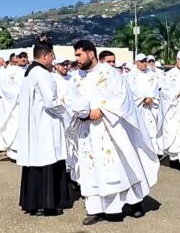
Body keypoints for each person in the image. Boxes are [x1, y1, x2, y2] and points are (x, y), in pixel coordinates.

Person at [65, 40, 159, 225]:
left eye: (79, 55)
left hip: (110, 128)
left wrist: (102, 110)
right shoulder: (76, 77)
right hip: (87, 131)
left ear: (91, 54)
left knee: (120, 166)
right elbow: (69, 100)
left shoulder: (109, 73)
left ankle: (133, 203)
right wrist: (80, 112)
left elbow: (122, 97)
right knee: (92, 170)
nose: (76, 59)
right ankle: (96, 209)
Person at [17, 35, 70, 216]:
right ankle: (48, 203)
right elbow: (50, 102)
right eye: (53, 57)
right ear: (46, 56)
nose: (53, 60)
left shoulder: (29, 72)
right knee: (47, 162)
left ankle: (34, 203)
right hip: (45, 125)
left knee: (36, 164)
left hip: (36, 125)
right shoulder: (41, 73)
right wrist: (66, 110)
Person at [126, 53, 161, 155]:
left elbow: (154, 87)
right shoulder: (131, 75)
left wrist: (151, 97)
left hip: (150, 107)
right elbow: (131, 90)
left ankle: (153, 153)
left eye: (145, 61)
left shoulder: (152, 74)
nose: (144, 63)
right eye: (141, 61)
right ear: (136, 62)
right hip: (138, 107)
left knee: (151, 130)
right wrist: (142, 98)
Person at [0, 52, 28, 160]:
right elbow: (5, 87)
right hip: (16, 104)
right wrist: (17, 95)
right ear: (16, 59)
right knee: (15, 126)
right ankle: (14, 152)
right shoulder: (11, 72)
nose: (23, 59)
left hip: (28, 105)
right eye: (21, 57)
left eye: (25, 57)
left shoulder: (30, 71)